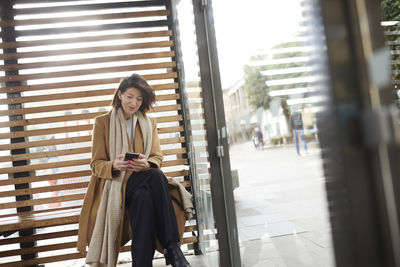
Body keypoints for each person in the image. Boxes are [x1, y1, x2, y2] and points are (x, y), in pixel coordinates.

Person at [77, 74, 191, 267]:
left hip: (141, 185)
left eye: (139, 99)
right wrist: (114, 165)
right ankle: (172, 247)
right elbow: (96, 164)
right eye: (130, 96)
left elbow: (156, 157)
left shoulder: (148, 123)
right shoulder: (102, 122)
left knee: (144, 198)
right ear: (120, 94)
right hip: (114, 187)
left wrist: (147, 164)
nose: (134, 102)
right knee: (156, 176)